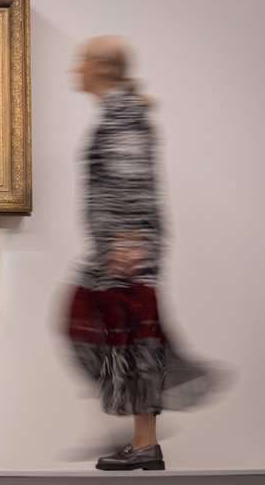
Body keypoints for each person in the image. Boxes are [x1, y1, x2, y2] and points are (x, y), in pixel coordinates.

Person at [64, 36, 217, 471]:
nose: (75, 69)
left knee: (131, 340)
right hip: (112, 250)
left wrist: (128, 240)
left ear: (99, 67)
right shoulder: (119, 112)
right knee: (124, 337)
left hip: (125, 251)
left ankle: (145, 439)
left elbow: (131, 180)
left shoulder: (124, 115)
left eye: (81, 62)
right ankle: (141, 432)